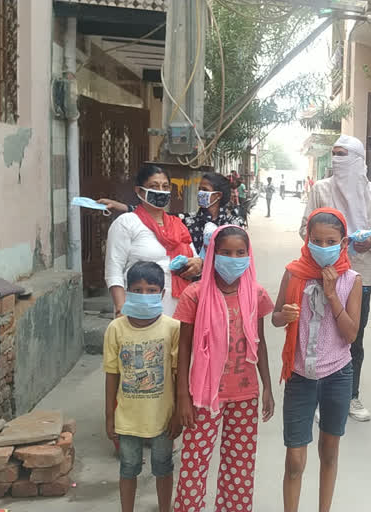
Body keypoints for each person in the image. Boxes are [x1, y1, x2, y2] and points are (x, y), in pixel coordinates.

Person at [172, 225, 275, 511]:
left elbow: (261, 342)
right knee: (194, 465)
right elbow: (184, 349)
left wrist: (266, 387)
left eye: (240, 253)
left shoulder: (256, 293)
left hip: (244, 394)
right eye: (226, 252)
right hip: (203, 396)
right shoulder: (195, 295)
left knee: (239, 469)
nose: (234, 258)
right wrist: (183, 397)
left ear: (248, 255)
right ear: (213, 255)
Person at [273, 208, 362, 512]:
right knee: (295, 460)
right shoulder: (294, 273)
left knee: (329, 452)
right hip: (299, 375)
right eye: (317, 241)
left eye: (331, 241)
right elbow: (274, 317)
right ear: (307, 240)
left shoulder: (351, 280)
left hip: (337, 375)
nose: (324, 247)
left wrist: (332, 294)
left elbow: (350, 335)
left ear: (343, 242)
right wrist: (284, 315)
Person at [300, 135, 371, 422]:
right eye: (333, 154)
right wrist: (328, 246)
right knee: (316, 333)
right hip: (321, 273)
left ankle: (351, 395)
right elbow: (304, 228)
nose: (336, 160)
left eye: (342, 154)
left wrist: (369, 243)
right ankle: (316, 394)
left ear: (358, 160)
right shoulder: (321, 190)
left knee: (353, 338)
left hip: (360, 274)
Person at [103, 261, 180, 512]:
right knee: (127, 469)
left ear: (163, 294)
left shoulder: (173, 328)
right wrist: (109, 415)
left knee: (163, 468)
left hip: (162, 418)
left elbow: (178, 374)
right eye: (137, 290)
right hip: (127, 419)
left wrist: (178, 413)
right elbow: (112, 374)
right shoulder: (116, 328)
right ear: (127, 292)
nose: (144, 295)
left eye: (151, 290)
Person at [105, 164, 200, 317]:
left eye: (165, 186)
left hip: (177, 307)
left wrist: (197, 264)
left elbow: (193, 259)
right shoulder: (127, 223)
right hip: (138, 308)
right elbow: (113, 269)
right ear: (139, 191)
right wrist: (120, 308)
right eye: (154, 186)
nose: (160, 191)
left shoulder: (178, 225)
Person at [100, 172, 248, 254]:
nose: (200, 193)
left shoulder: (233, 223)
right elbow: (156, 215)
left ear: (218, 195)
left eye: (205, 190)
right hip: (192, 286)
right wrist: (121, 206)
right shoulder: (188, 220)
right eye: (199, 189)